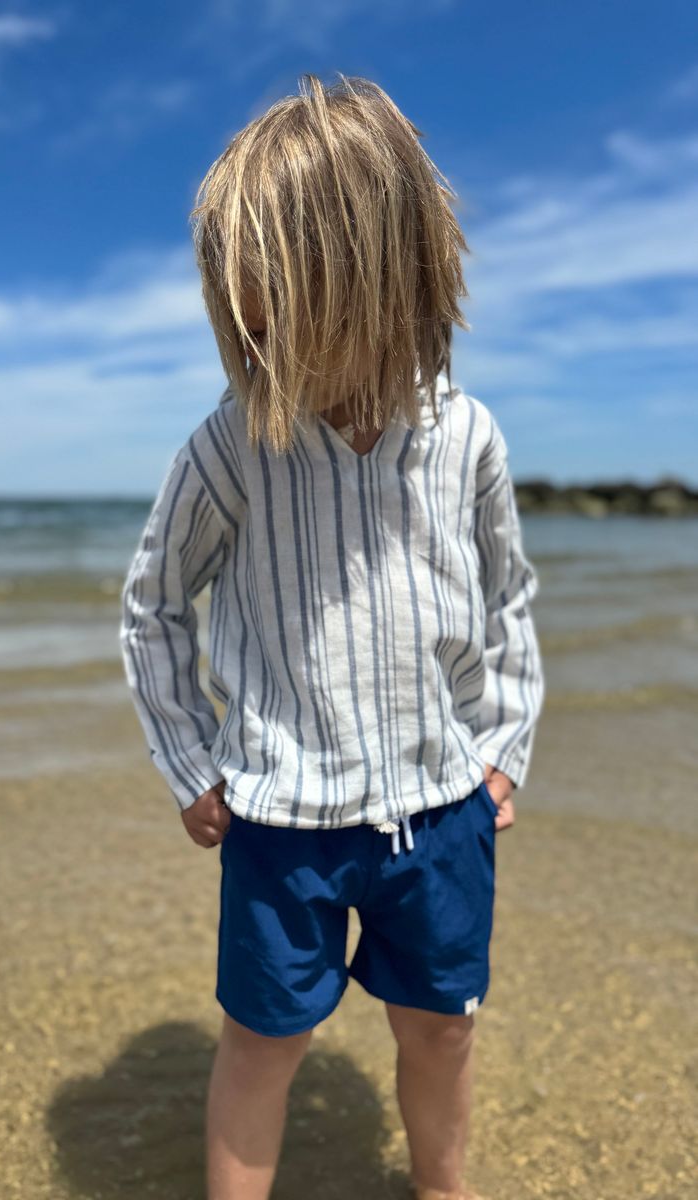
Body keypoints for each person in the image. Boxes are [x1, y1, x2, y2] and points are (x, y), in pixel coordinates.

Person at [118, 72, 545, 1200]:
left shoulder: (468, 437)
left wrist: (505, 743)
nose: (253, 340)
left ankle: (442, 1187)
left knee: (441, 1030)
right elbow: (153, 605)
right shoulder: (231, 446)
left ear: (384, 269)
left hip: (441, 808)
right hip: (280, 814)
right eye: (240, 320)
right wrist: (189, 761)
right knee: (263, 1043)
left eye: (274, 309)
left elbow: (509, 599)